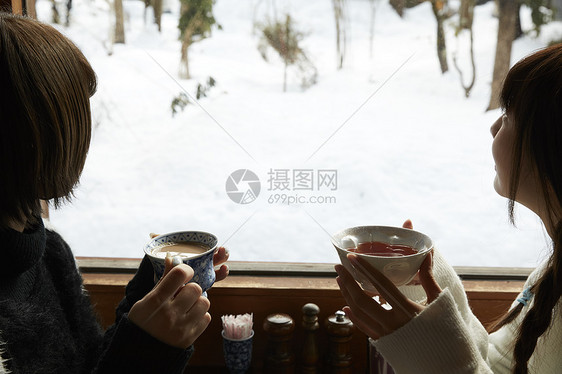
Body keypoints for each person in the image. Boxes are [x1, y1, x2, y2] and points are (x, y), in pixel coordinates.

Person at [0, 12, 228, 374]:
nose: (85, 139)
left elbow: (93, 365)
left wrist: (148, 298)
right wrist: (149, 351)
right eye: (75, 118)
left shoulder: (51, 256)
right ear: (31, 135)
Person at [335, 43, 562, 374]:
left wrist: (426, 351)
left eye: (509, 115)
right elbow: (500, 363)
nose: (494, 127)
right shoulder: (552, 272)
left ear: (550, 147)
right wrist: (427, 284)